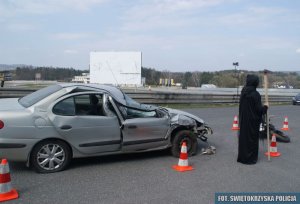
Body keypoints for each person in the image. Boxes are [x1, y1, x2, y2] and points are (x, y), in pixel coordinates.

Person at [237, 74, 268, 164]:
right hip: (252, 122)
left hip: (243, 120)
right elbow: (259, 110)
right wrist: (266, 107)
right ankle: (250, 159)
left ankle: (242, 158)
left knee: (244, 139)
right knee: (252, 140)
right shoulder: (255, 94)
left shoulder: (243, 92)